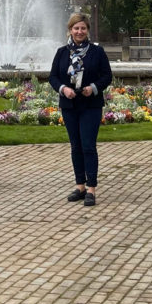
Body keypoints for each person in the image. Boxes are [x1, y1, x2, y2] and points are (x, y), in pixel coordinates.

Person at [49, 13, 112, 207]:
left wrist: (92, 88)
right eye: (76, 28)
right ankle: (80, 185)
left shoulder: (97, 52)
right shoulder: (62, 52)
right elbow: (53, 77)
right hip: (69, 104)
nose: (79, 31)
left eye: (83, 28)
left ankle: (91, 188)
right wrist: (63, 89)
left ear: (87, 30)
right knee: (75, 146)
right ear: (70, 30)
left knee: (88, 146)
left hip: (90, 105)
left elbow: (106, 76)